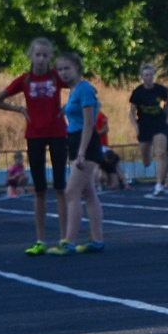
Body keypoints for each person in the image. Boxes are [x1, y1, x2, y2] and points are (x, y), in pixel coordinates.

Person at [0, 37, 69, 255]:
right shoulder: (24, 81)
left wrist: (68, 107)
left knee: (60, 187)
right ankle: (40, 240)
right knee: (40, 189)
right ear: (31, 56)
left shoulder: (56, 76)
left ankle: (64, 238)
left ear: (49, 57)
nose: (41, 59)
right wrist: (19, 110)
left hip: (57, 133)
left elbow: (80, 86)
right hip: (34, 135)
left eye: (45, 55)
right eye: (38, 55)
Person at [50, 52, 106, 254]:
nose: (63, 73)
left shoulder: (84, 89)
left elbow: (89, 124)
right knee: (88, 192)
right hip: (74, 140)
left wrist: (81, 153)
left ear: (78, 69)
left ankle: (69, 241)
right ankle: (98, 240)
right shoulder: (73, 90)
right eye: (60, 69)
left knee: (70, 192)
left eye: (67, 68)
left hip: (86, 143)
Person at [129, 63, 168, 196]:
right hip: (144, 125)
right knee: (146, 161)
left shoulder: (160, 89)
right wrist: (136, 127)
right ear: (142, 77)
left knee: (162, 153)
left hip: (158, 123)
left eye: (151, 75)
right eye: (146, 75)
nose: (148, 77)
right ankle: (148, 157)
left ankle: (159, 184)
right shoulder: (138, 92)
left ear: (154, 75)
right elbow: (131, 112)